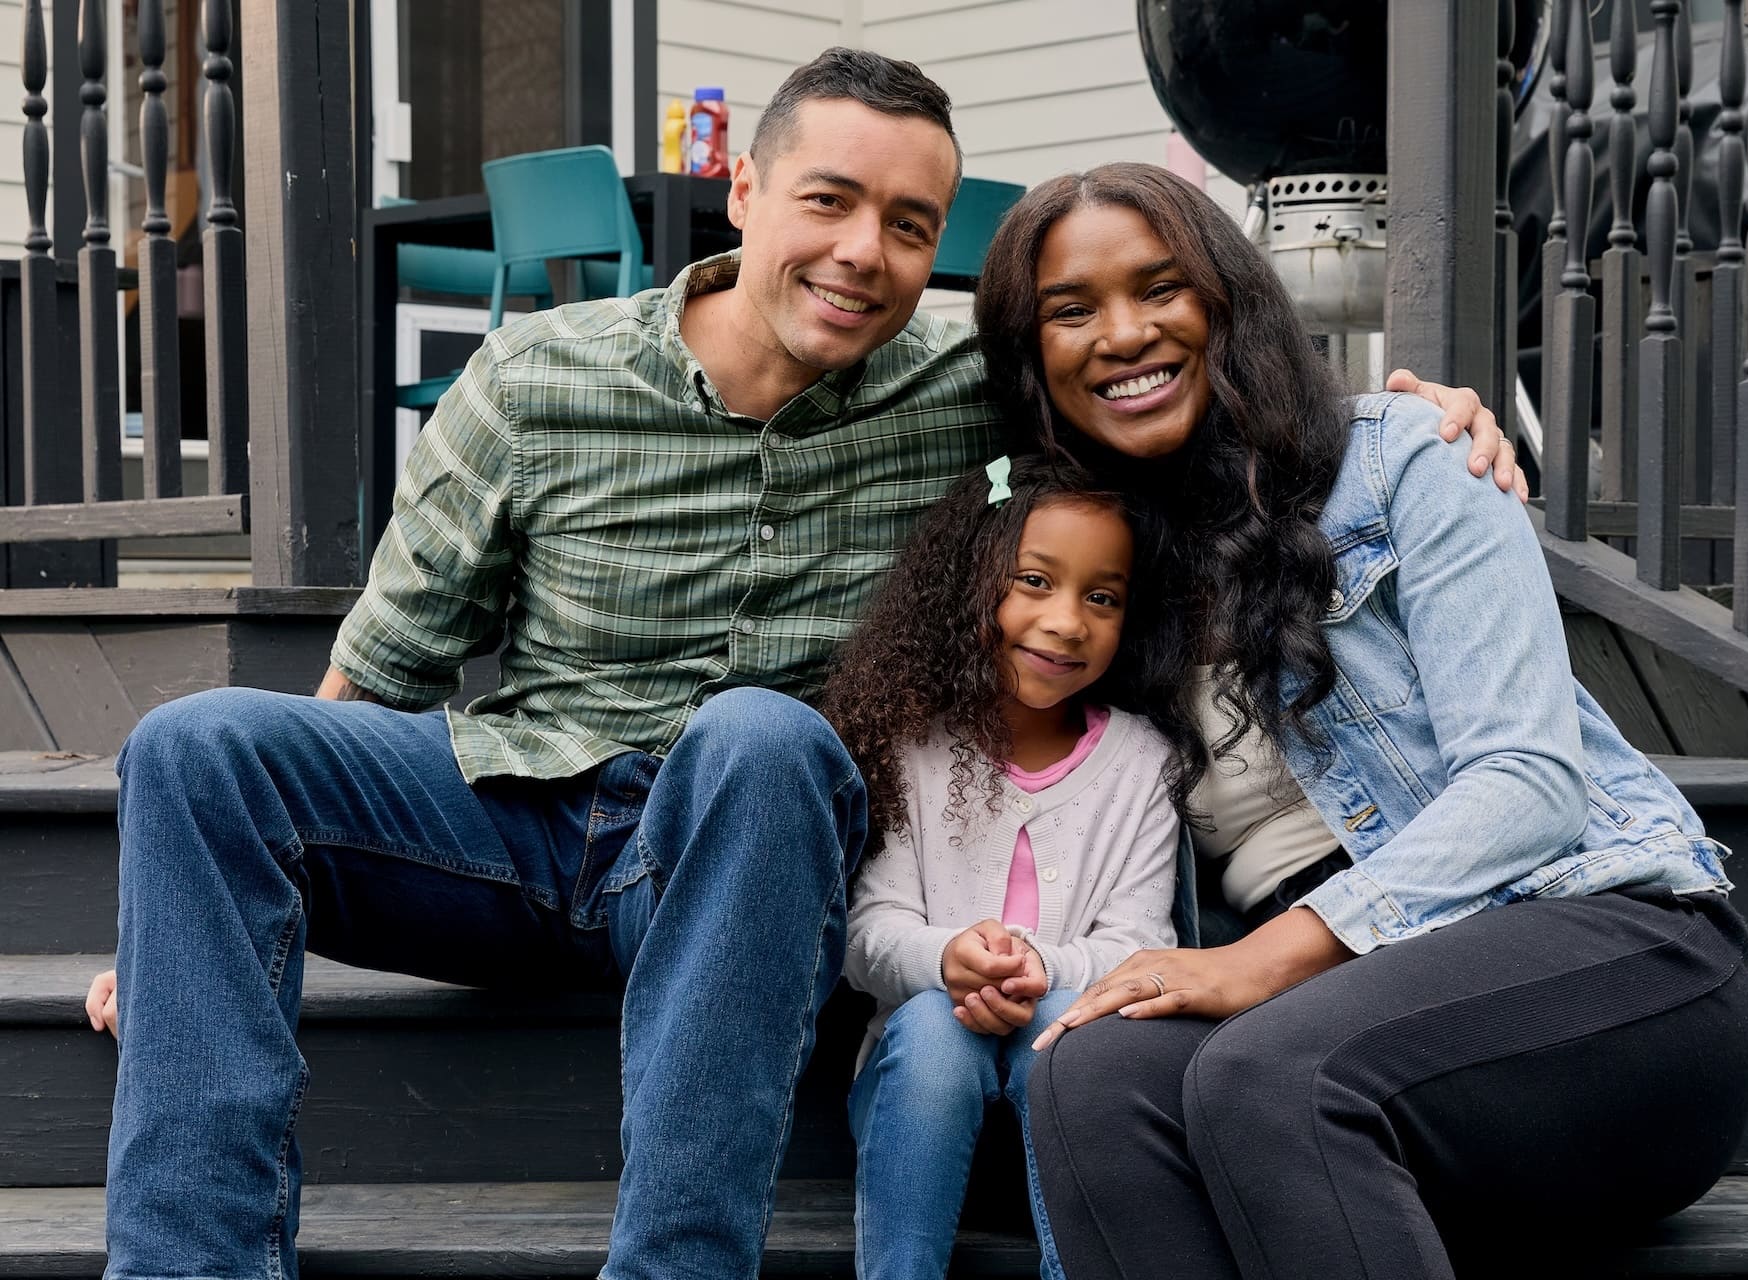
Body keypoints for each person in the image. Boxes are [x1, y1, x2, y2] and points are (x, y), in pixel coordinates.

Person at [83, 50, 1516, 1280]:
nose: (863, 253)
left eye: (908, 223)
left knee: (765, 736)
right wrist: (184, 903)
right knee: (199, 745)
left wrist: (1409, 414)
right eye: (829, 201)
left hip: (749, 851)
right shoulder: (536, 383)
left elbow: (1149, 389)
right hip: (512, 820)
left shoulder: (965, 404)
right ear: (745, 194)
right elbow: (386, 666)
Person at [969, 162, 1748, 1279]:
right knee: (1090, 1078)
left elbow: (1531, 784)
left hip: (1598, 953)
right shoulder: (1083, 571)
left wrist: (1264, 960)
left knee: (1271, 1071)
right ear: (1031, 352)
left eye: (1162, 287)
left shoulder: (1403, 460)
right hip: (1319, 1008)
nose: (1123, 332)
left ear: (1227, 299)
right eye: (1070, 309)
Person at [823, 456, 1193, 1279]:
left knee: (1067, 1034)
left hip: (1067, 1113)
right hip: (912, 1112)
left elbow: (1141, 946)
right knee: (930, 1027)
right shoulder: (912, 745)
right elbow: (867, 935)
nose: (1066, 622)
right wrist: (950, 962)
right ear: (969, 585)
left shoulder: (1143, 763)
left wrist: (1036, 970)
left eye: (1102, 597)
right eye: (1034, 581)